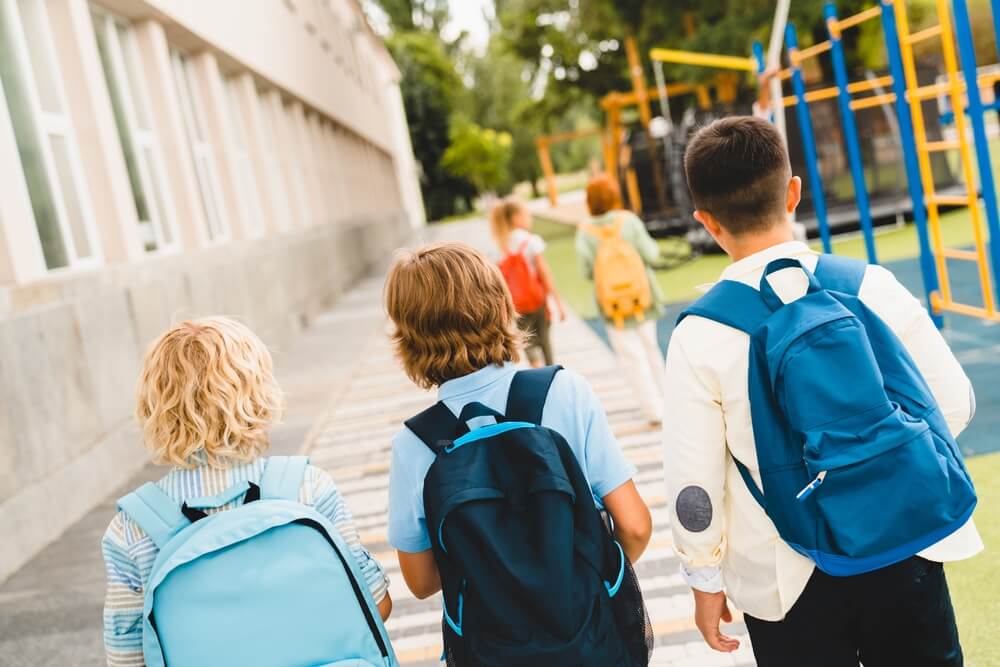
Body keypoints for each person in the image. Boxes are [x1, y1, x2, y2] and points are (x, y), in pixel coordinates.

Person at [664, 116, 982, 666]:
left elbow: (694, 483)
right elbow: (954, 401)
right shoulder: (869, 285)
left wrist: (704, 577)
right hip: (900, 539)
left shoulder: (700, 333)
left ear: (707, 222)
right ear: (793, 192)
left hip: (783, 572)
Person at [384, 242, 652, 629]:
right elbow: (635, 526)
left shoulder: (414, 445)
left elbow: (422, 581)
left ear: (407, 336)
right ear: (501, 307)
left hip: (495, 644)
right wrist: (583, 580)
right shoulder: (564, 392)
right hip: (589, 634)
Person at [102, 317, 391, 665]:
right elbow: (376, 603)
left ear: (154, 409)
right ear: (258, 394)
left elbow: (127, 658)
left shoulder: (133, 529)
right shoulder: (306, 487)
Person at [576, 173, 666, 424]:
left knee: (632, 359)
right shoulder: (629, 221)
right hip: (643, 299)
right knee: (651, 349)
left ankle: (653, 411)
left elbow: (585, 271)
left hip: (612, 307)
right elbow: (650, 253)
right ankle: (670, 402)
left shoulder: (584, 232)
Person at [489, 197, 566, 366]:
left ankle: (536, 366)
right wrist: (558, 303)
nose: (530, 219)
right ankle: (551, 371)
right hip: (538, 300)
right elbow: (545, 273)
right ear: (516, 218)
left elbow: (499, 283)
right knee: (545, 339)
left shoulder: (500, 245)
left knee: (527, 339)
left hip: (517, 305)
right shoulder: (531, 241)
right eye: (527, 215)